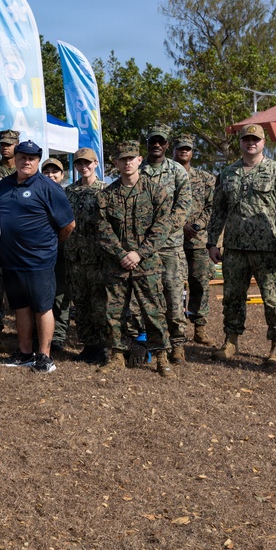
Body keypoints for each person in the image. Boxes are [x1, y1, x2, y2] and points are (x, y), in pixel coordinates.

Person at [207, 124, 276, 368]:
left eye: (255, 139)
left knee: (273, 299)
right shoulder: (227, 174)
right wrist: (212, 242)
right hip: (234, 249)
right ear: (240, 143)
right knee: (232, 298)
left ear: (264, 142)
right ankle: (231, 340)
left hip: (269, 250)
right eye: (246, 139)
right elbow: (218, 211)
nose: (250, 143)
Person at [95, 141, 175, 378]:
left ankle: (161, 356)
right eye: (122, 159)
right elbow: (102, 230)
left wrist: (139, 253)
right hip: (116, 264)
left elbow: (162, 227)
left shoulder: (156, 191)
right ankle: (117, 355)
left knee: (154, 310)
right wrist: (122, 254)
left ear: (140, 160)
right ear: (116, 164)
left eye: (132, 158)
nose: (127, 162)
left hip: (146, 263)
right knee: (114, 311)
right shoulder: (106, 196)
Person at [0, 141, 75, 374]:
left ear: (38, 161)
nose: (26, 161)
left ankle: (44, 356)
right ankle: (24, 353)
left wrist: (49, 245)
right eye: (22, 157)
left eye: (32, 158)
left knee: (42, 307)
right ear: (15, 158)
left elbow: (69, 224)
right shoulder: (4, 184)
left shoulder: (48, 187)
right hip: (11, 259)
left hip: (39, 261)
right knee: (20, 306)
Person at [139, 127, 192, 363]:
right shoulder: (138, 170)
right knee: (147, 297)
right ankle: (151, 343)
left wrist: (161, 231)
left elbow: (183, 208)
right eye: (153, 141)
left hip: (170, 246)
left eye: (161, 142)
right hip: (143, 247)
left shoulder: (177, 171)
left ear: (166, 144)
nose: (156, 145)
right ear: (147, 143)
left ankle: (178, 344)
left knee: (173, 297)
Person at [62, 147, 107, 363]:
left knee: (100, 304)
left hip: (98, 258)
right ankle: (88, 345)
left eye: (88, 163)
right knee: (80, 304)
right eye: (79, 164)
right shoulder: (69, 192)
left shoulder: (106, 190)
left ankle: (102, 346)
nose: (84, 167)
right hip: (74, 257)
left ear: (96, 164)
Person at [172, 134, 216, 345]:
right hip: (172, 240)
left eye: (187, 149)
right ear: (174, 151)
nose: (184, 152)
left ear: (192, 152)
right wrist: (181, 225)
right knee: (172, 284)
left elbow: (211, 207)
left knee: (200, 283)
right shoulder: (167, 177)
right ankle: (175, 327)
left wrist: (196, 225)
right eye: (180, 148)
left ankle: (200, 327)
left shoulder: (206, 179)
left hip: (197, 240)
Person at [42, 158, 71, 352]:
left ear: (62, 175)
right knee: (43, 294)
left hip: (62, 249)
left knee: (61, 293)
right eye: (47, 171)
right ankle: (42, 333)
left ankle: (58, 335)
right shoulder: (39, 193)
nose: (51, 175)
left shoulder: (68, 194)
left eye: (55, 172)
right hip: (41, 251)